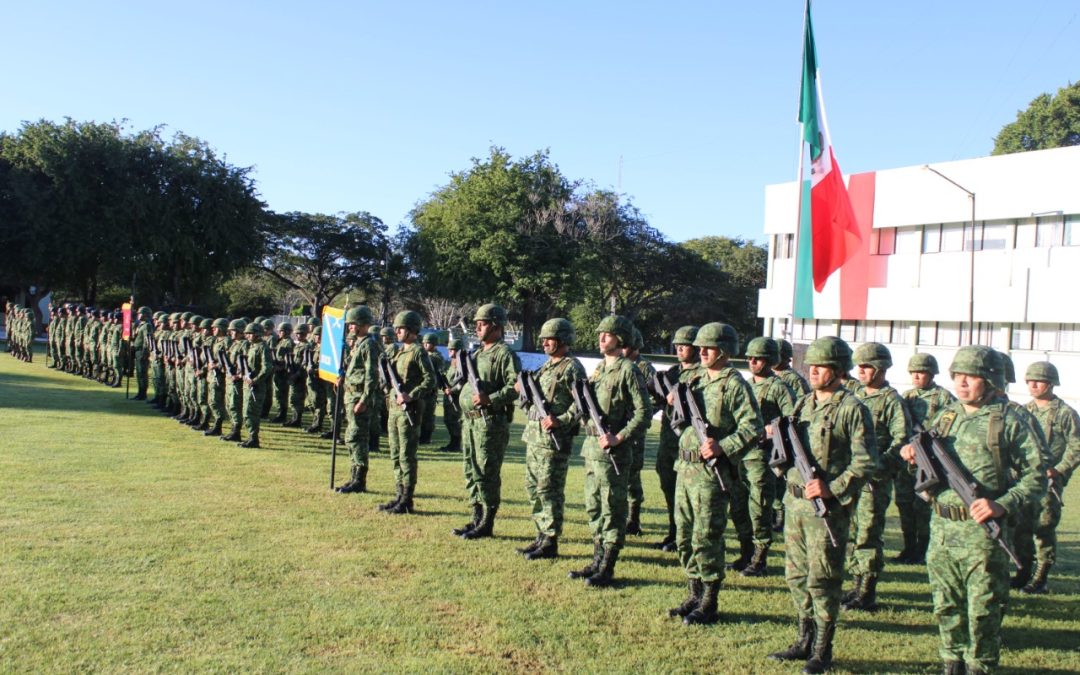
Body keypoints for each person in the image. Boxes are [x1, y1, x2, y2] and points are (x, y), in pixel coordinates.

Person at [899, 346, 1045, 675]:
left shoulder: (1010, 420)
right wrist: (913, 456)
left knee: (983, 612)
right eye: (958, 375)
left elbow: (1037, 477)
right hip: (942, 528)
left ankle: (980, 667)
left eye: (971, 376)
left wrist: (1002, 504)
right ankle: (951, 664)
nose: (962, 382)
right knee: (945, 606)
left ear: (991, 380)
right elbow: (928, 465)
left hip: (982, 534)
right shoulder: (947, 416)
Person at [768, 336, 876, 675]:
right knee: (796, 576)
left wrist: (833, 488)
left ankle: (822, 649)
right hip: (795, 505)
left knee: (823, 579)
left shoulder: (852, 409)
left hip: (825, 511)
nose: (813, 370)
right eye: (811, 364)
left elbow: (865, 462)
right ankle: (804, 639)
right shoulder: (803, 404)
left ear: (839, 369)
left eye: (822, 366)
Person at [668, 322, 762, 624]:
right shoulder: (694, 379)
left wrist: (723, 446)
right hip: (685, 468)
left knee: (706, 536)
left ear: (724, 351)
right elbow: (679, 421)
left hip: (711, 473)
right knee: (684, 535)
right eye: (701, 347)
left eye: (709, 347)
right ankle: (694, 593)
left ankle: (709, 601)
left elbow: (753, 427)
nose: (702, 352)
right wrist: (673, 404)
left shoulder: (734, 384)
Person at [567, 315, 649, 587]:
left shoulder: (628, 370)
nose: (602, 338)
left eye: (608, 334)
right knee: (594, 506)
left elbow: (643, 413)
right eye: (600, 333)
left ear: (620, 338)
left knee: (612, 508)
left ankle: (607, 566)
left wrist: (619, 437)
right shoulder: (600, 369)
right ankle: (596, 560)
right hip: (592, 450)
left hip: (614, 453)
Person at [841, 342, 910, 612]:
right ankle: (856, 583)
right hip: (851, 476)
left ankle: (867, 591)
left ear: (881, 368)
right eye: (859, 366)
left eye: (867, 366)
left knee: (869, 533)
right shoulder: (854, 394)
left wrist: (878, 467)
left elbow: (901, 440)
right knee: (852, 531)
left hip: (874, 480)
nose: (861, 371)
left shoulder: (891, 400)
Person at [516, 318, 586, 560]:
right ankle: (540, 535)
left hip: (553, 440)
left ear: (563, 339)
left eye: (549, 339)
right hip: (535, 437)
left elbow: (582, 403)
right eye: (543, 339)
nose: (544, 343)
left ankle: (550, 541)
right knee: (533, 488)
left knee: (549, 490)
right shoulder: (547, 366)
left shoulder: (572, 368)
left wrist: (561, 420)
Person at [454, 304, 521, 539]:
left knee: (486, 471)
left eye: (482, 324)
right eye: (477, 324)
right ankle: (476, 517)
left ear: (495, 326)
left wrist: (490, 399)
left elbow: (516, 386)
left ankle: (487, 522)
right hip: (470, 422)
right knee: (471, 470)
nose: (478, 328)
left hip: (489, 422)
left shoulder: (504, 354)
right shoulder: (477, 353)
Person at [1018, 361, 1080, 594]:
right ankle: (1023, 572)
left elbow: (1076, 447)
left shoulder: (1065, 413)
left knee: (1044, 528)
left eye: (1039, 381)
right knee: (1021, 528)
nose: (1033, 385)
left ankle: (1040, 578)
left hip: (1049, 482)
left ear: (1051, 383)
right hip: (1025, 480)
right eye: (1030, 381)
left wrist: (1059, 470)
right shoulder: (1024, 411)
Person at [739, 336, 797, 577]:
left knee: (760, 507)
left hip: (762, 457)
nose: (752, 362)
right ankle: (745, 553)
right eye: (750, 358)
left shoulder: (779, 387)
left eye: (758, 358)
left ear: (771, 360)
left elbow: (792, 421)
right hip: (741, 454)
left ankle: (759, 558)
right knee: (741, 507)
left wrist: (769, 430)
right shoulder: (746, 385)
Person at [899, 353, 955, 564]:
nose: (916, 376)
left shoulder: (943, 397)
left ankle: (922, 549)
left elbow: (948, 428)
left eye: (921, 372)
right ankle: (908, 547)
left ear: (931, 374)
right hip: (907, 460)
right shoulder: (907, 396)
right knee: (904, 503)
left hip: (929, 461)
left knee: (923, 506)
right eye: (913, 372)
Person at [378, 311, 434, 514]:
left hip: (409, 410)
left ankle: (407, 499)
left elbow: (430, 380)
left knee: (406, 456)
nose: (397, 331)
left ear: (411, 330)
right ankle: (399, 495)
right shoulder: (399, 351)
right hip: (394, 410)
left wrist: (411, 395)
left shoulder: (418, 352)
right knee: (395, 454)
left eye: (401, 328)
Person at [653, 326, 703, 552]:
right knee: (669, 487)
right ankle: (674, 533)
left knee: (689, 494)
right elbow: (654, 402)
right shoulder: (672, 373)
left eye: (685, 345)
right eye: (677, 345)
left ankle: (688, 537)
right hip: (668, 441)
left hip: (690, 443)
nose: (679, 349)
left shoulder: (703, 374)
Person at [336, 306, 380, 494]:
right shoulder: (358, 344)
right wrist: (342, 378)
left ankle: (359, 480)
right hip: (351, 395)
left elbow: (372, 375)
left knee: (358, 437)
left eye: (354, 324)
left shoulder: (369, 345)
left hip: (359, 398)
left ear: (363, 324)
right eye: (350, 324)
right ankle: (354, 476)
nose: (350, 327)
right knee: (351, 437)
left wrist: (364, 400)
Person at [621, 326, 655, 536]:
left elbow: (653, 400)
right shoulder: (618, 365)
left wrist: (634, 415)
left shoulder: (644, 368)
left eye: (625, 346)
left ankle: (633, 519)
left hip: (634, 430)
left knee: (632, 474)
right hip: (617, 429)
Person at [240, 321, 273, 448]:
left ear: (257, 334)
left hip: (256, 386)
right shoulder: (251, 347)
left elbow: (267, 367)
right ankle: (251, 437)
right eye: (247, 333)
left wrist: (256, 380)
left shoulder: (263, 347)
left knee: (252, 412)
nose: (247, 335)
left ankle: (254, 439)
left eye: (250, 333)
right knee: (246, 412)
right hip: (248, 384)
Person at [438, 337, 465, 453]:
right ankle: (452, 443)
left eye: (452, 349)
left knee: (454, 421)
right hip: (448, 397)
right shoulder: (452, 363)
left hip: (456, 398)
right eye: (449, 349)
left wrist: (452, 390)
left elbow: (462, 383)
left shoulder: (461, 365)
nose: (449, 351)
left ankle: (456, 444)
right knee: (448, 420)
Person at [419, 332, 445, 445]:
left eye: (428, 343)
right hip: (422, 390)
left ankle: (426, 437)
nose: (425, 345)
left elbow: (431, 361)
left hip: (430, 392)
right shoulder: (425, 354)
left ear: (434, 344)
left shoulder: (436, 357)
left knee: (428, 416)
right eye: (424, 343)